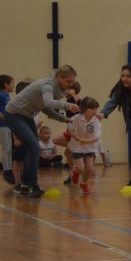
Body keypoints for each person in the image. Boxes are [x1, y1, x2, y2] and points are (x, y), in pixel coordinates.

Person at [4, 66, 78, 199]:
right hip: (14, 114)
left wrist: (63, 119)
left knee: (32, 149)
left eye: (72, 82)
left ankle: (24, 185)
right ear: (59, 78)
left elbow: (45, 108)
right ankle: (32, 185)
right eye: (68, 81)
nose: (70, 84)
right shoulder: (48, 85)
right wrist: (67, 106)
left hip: (26, 116)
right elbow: (48, 102)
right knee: (34, 147)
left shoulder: (55, 88)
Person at [67, 97, 102, 193]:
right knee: (81, 168)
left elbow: (97, 137)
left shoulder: (96, 120)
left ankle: (84, 183)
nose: (96, 111)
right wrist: (74, 136)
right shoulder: (76, 118)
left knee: (90, 168)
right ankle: (76, 171)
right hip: (77, 146)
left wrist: (86, 141)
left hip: (90, 147)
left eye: (96, 108)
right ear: (86, 110)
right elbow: (69, 129)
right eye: (93, 109)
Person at [0, 74, 15, 184]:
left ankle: (9, 169)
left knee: (9, 148)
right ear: (6, 84)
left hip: (7, 125)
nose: (13, 85)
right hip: (2, 125)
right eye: (12, 83)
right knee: (6, 147)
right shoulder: (1, 95)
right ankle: (7, 171)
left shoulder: (7, 96)